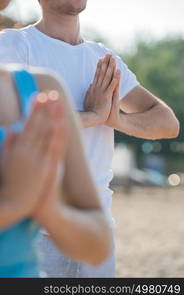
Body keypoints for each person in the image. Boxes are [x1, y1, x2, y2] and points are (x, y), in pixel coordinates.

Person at [0, 0, 179, 278]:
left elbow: (168, 123)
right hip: (35, 230)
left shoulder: (103, 58)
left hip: (97, 230)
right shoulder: (14, 44)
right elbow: (19, 126)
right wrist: (92, 116)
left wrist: (116, 119)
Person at [0, 0, 112, 277]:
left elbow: (98, 244)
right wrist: (15, 205)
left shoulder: (40, 87)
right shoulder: (18, 46)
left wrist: (49, 207)